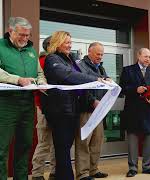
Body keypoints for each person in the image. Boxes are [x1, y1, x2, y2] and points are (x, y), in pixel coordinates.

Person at [44, 31, 103, 180]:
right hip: (60, 111)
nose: (70, 45)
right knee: (62, 148)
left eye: (71, 42)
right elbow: (68, 75)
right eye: (67, 42)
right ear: (58, 42)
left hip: (72, 110)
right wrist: (95, 79)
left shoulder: (69, 60)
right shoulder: (52, 59)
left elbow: (78, 79)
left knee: (65, 147)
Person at [0, 17, 47, 179]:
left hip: (27, 104)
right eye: (22, 35)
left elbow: (39, 72)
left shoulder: (31, 51)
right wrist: (18, 80)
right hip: (5, 104)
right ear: (11, 31)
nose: (25, 39)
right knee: (2, 148)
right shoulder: (0, 46)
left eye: (28, 35)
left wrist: (41, 82)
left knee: (25, 145)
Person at [120, 48, 150, 177]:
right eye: (145, 56)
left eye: (149, 57)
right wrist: (135, 90)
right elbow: (121, 89)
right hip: (132, 110)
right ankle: (132, 168)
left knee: (148, 138)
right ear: (138, 56)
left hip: (148, 110)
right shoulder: (128, 70)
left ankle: (147, 166)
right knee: (133, 139)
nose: (148, 59)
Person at [75, 42, 109, 180]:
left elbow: (105, 82)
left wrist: (109, 81)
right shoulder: (80, 66)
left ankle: (93, 170)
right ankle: (82, 173)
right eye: (97, 54)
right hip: (85, 110)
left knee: (96, 142)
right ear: (89, 52)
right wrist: (92, 101)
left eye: (101, 54)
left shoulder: (101, 68)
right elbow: (82, 87)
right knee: (83, 142)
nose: (100, 57)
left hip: (98, 111)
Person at [32, 36, 56, 180]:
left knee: (56, 142)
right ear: (49, 46)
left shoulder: (58, 60)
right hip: (43, 108)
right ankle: (37, 174)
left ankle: (54, 171)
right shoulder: (42, 62)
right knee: (44, 142)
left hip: (57, 109)